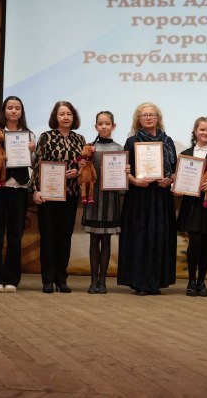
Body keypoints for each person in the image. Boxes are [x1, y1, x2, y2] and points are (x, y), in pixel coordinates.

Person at [118, 102, 177, 295]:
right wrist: (135, 181)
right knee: (140, 239)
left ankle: (156, 282)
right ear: (138, 120)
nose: (149, 118)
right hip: (139, 197)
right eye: (145, 115)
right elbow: (123, 171)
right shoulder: (131, 141)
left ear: (158, 118)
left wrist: (169, 181)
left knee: (159, 239)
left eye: (152, 115)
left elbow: (175, 170)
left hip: (161, 198)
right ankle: (140, 283)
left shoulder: (168, 141)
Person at [30, 101, 86, 293]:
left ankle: (61, 278)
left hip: (70, 194)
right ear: (55, 117)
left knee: (65, 237)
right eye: (62, 114)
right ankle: (47, 279)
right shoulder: (45, 137)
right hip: (48, 194)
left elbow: (84, 166)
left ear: (74, 117)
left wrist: (78, 172)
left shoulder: (80, 139)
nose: (65, 117)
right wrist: (35, 190)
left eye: (69, 114)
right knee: (48, 236)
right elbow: (37, 164)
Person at [0, 96, 36, 293]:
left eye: (17, 108)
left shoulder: (29, 135)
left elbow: (33, 164)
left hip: (20, 189)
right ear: (4, 111)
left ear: (21, 112)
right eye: (10, 108)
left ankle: (12, 279)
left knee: (15, 236)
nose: (13, 111)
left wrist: (32, 151)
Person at [174, 117, 207, 297]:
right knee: (194, 242)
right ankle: (191, 281)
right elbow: (179, 178)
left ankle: (202, 282)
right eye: (202, 129)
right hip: (191, 204)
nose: (205, 133)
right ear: (195, 131)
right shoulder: (186, 153)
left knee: (206, 244)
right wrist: (178, 189)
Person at [80, 110, 123, 294]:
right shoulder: (89, 147)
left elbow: (122, 179)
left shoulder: (119, 148)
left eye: (107, 124)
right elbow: (83, 175)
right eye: (100, 124)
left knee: (106, 240)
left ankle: (103, 281)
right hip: (93, 199)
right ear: (95, 126)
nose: (104, 127)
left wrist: (125, 171)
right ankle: (92, 280)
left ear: (113, 126)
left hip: (111, 199)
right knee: (93, 240)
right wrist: (81, 166)